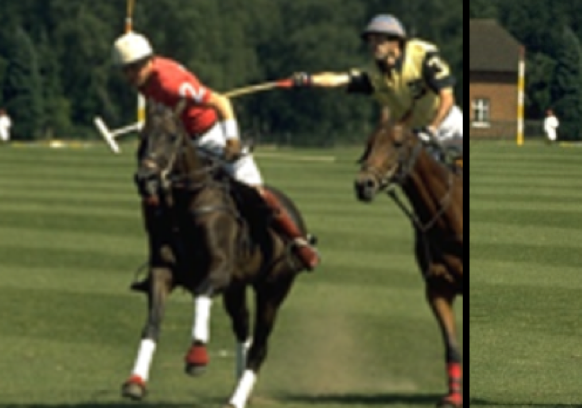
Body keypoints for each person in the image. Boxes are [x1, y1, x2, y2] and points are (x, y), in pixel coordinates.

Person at [114, 31, 320, 270]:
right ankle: (161, 258)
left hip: (211, 135)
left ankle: (299, 243)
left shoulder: (170, 83)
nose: (130, 75)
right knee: (153, 191)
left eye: (135, 68)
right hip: (183, 142)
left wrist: (232, 140)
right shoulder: (144, 81)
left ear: (149, 60)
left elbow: (221, 102)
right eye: (126, 70)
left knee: (255, 192)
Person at [290, 15, 463, 172]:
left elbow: (447, 97)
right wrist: (308, 80)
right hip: (416, 134)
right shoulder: (374, 75)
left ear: (396, 41)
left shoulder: (421, 56)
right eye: (370, 41)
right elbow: (339, 79)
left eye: (379, 40)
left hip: (448, 124)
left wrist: (432, 129)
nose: (373, 45)